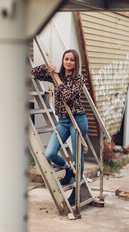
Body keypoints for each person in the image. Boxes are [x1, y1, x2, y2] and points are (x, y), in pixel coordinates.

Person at [32, 49, 88, 205]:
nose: (68, 62)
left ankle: (76, 192)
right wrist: (46, 68)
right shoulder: (58, 75)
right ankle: (67, 168)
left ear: (76, 63)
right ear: (63, 60)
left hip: (78, 120)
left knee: (78, 157)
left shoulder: (79, 78)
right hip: (63, 121)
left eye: (72, 60)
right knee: (50, 153)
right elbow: (34, 73)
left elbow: (67, 96)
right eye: (66, 59)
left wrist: (56, 78)